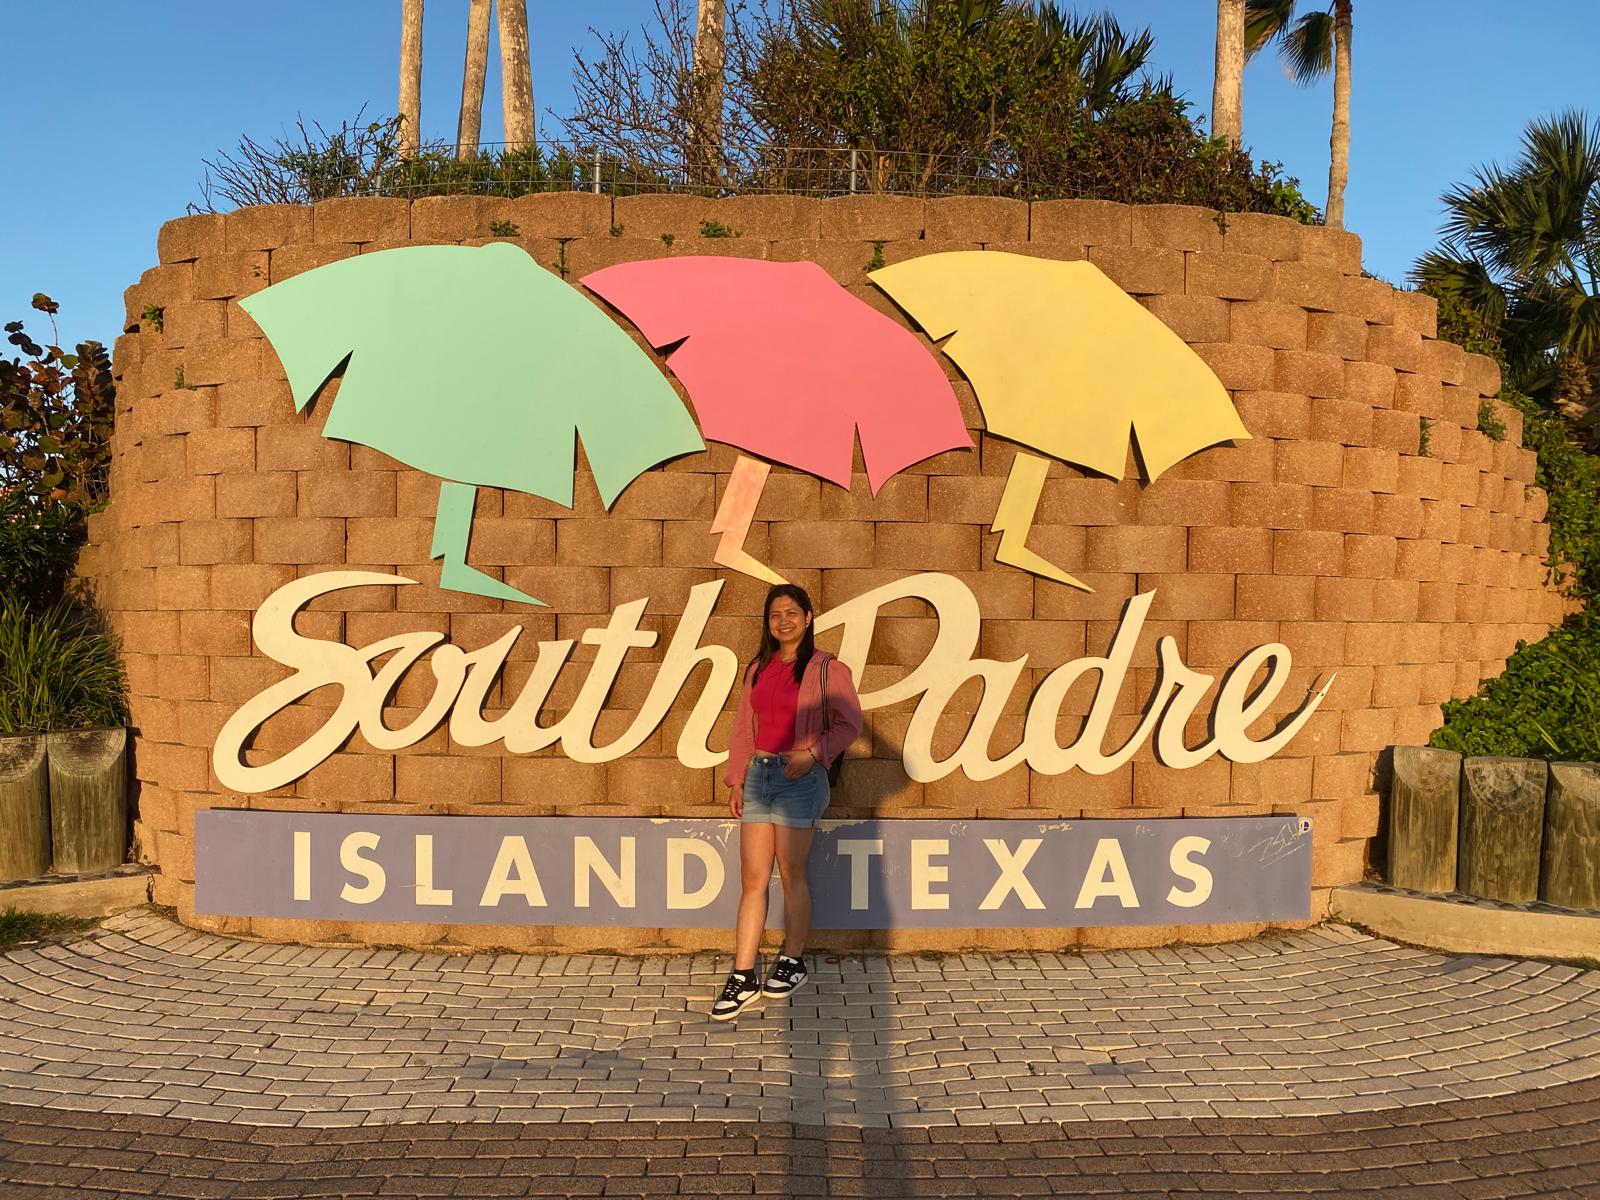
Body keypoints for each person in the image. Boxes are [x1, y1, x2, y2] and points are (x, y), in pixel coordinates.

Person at [711, 583, 862, 1021]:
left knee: (792, 873)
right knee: (754, 878)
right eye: (775, 614)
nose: (784, 620)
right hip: (760, 777)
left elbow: (849, 723)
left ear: (809, 617)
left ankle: (792, 960)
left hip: (800, 779)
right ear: (768, 621)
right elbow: (744, 728)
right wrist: (737, 780)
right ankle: (744, 975)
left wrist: (812, 753)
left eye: (792, 612)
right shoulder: (757, 668)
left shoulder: (826, 669)